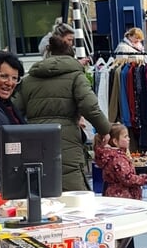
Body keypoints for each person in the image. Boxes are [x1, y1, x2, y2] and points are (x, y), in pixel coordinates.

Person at [13, 29, 112, 190]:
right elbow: (90, 106)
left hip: (34, 142)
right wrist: (104, 130)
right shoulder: (76, 76)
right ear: (71, 56)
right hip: (66, 141)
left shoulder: (29, 79)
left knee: (39, 188)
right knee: (73, 193)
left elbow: (15, 111)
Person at [95, 122, 147, 199]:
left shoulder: (111, 155)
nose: (128, 139)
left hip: (115, 195)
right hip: (123, 197)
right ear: (115, 141)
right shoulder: (118, 158)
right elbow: (128, 179)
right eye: (125, 137)